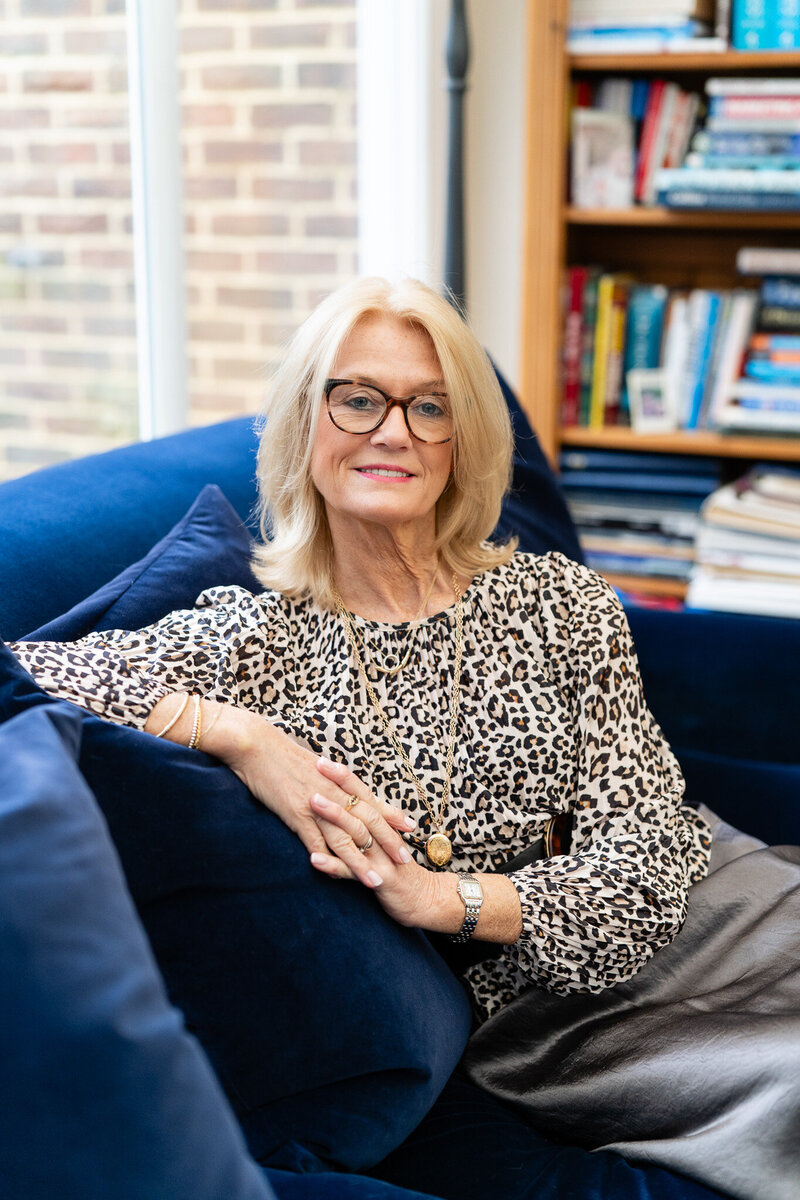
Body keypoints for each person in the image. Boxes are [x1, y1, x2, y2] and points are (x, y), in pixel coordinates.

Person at [9, 277, 799, 1200]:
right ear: (305, 424)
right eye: (357, 398)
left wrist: (446, 900)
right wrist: (236, 733)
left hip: (723, 906)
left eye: (431, 407)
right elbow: (22, 672)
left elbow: (651, 856)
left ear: (463, 441)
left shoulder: (558, 602)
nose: (394, 431)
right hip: (557, 1014)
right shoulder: (251, 641)